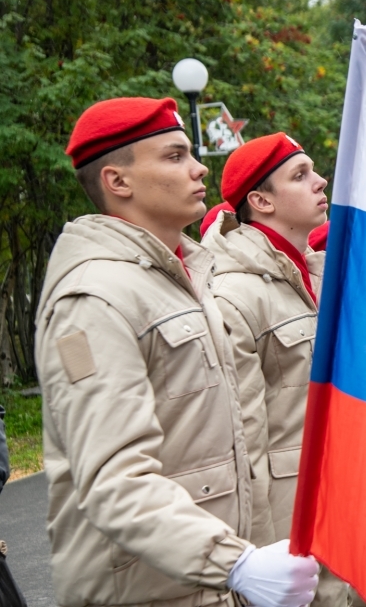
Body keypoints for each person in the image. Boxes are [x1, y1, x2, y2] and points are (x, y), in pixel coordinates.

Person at [35, 97, 318, 607]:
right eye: (174, 156)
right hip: (147, 590)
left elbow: (234, 445)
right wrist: (236, 562)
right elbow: (113, 478)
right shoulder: (94, 298)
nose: (198, 169)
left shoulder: (183, 280)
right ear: (118, 181)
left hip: (204, 582)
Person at [203, 133, 350, 605]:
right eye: (300, 175)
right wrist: (266, 556)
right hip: (297, 523)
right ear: (260, 200)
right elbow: (245, 444)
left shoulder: (322, 276)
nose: (321, 180)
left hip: (349, 498)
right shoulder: (234, 294)